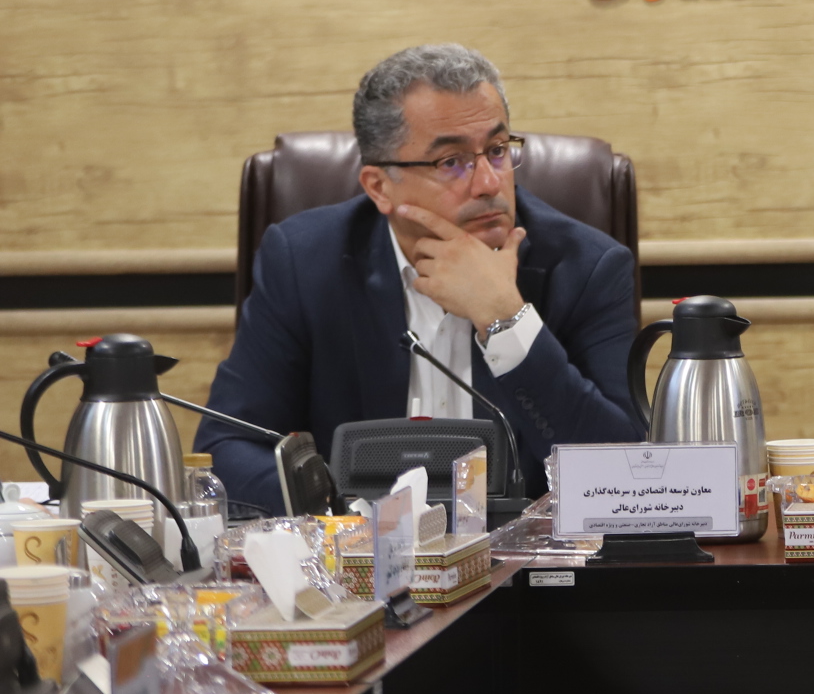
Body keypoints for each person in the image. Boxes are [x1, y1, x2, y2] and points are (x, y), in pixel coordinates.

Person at [199, 44, 644, 511]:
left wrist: (506, 320)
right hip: (355, 551)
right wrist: (351, 516)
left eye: (496, 151)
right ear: (379, 187)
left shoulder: (588, 267)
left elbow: (620, 478)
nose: (489, 183)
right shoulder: (305, 263)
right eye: (451, 161)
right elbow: (226, 449)